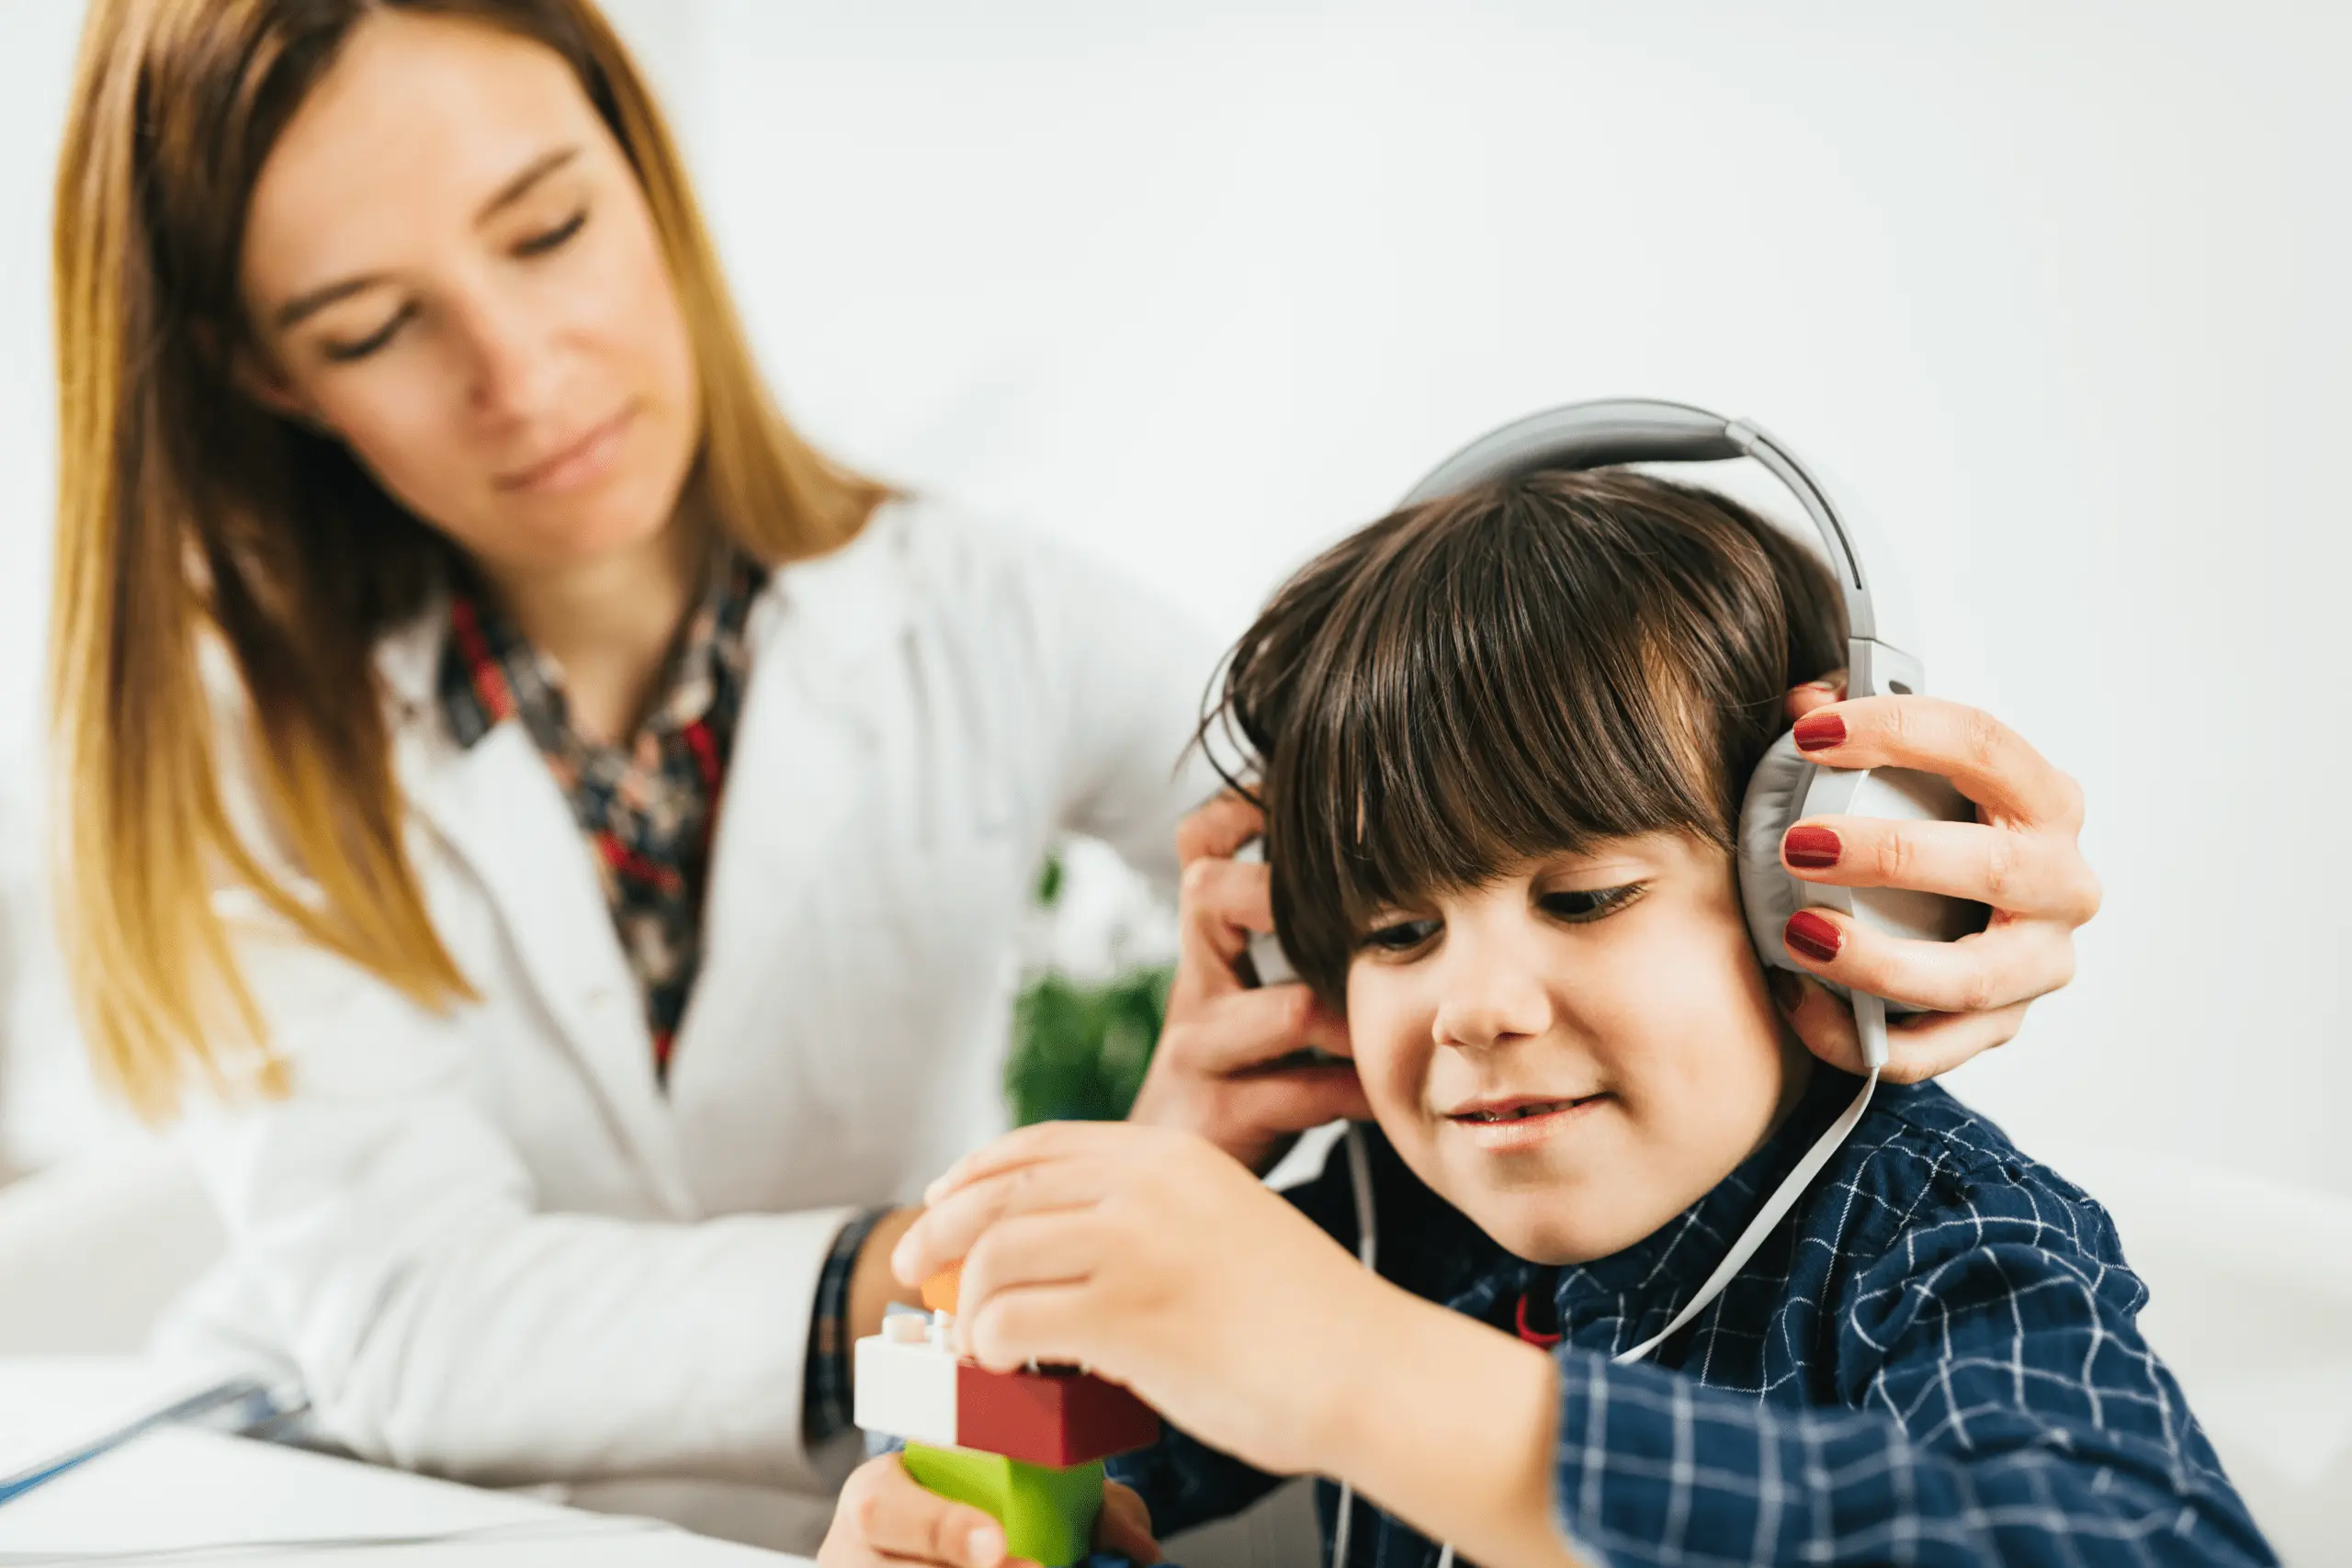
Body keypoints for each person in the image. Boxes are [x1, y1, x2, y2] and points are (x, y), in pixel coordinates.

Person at [47, 0, 2099, 1548]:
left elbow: (1429, 786)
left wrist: (1911, 884)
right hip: (367, 1484)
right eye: (376, 322)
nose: (523, 370)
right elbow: (416, 1324)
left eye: (549, 226)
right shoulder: (221, 762)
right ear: (255, 370)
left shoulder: (984, 617)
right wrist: (1052, 1234)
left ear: (640, 172)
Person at [841, 470, 2266, 1568]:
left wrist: (1375, 1376)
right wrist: (949, 1510)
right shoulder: (1382, 1223)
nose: (1476, 1006)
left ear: (1803, 888)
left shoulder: (1933, 1232)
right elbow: (1037, 1437)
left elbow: (2136, 1542)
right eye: (1399, 932)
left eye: (1584, 896)